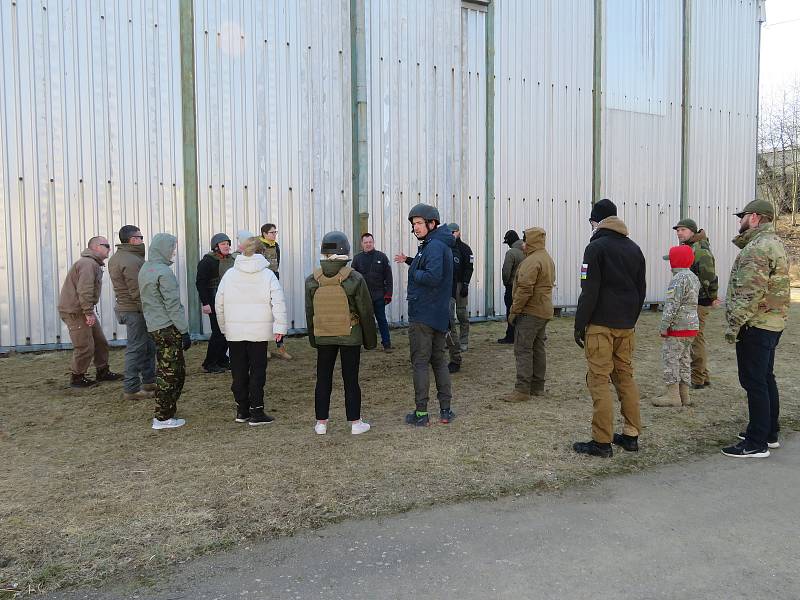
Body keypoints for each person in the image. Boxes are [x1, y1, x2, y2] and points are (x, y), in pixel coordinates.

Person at [573, 199, 646, 458]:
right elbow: (641, 291)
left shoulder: (595, 248)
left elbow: (588, 290)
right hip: (626, 326)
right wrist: (630, 320)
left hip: (601, 326)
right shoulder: (634, 249)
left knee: (599, 380)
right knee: (625, 378)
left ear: (596, 221)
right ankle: (630, 435)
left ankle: (601, 441)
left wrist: (580, 324)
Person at [721, 199, 789, 458]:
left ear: (756, 217)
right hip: (772, 322)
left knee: (754, 381)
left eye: (744, 215)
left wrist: (734, 325)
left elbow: (748, 292)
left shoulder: (757, 249)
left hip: (757, 324)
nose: (740, 220)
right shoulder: (775, 243)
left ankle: (756, 442)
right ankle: (768, 431)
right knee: (765, 377)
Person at [305, 231, 377, 435]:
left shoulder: (312, 279)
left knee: (323, 378)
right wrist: (370, 341)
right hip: (350, 335)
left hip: (324, 335)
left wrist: (314, 339)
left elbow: (310, 312)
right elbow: (365, 311)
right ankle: (355, 423)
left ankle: (321, 423)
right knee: (351, 379)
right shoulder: (354, 278)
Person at [393, 204, 456, 426]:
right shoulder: (434, 244)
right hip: (436, 313)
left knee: (421, 362)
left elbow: (433, 276)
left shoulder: (435, 246)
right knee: (438, 361)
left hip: (424, 315)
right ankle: (445, 411)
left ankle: (422, 414)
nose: (415, 228)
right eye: (413, 224)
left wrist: (413, 271)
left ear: (432, 223)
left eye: (419, 223)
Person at [215, 237, 288, 426]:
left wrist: (225, 328)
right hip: (259, 332)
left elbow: (219, 304)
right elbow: (278, 302)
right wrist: (280, 327)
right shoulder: (268, 275)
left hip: (235, 332)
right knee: (257, 371)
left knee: (238, 371)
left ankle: (242, 410)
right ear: (261, 252)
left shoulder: (230, 275)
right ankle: (257, 411)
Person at [139, 233, 192, 430]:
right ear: (163, 248)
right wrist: (184, 330)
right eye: (172, 247)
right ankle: (163, 417)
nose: (174, 251)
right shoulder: (164, 272)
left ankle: (167, 409)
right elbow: (173, 304)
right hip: (168, 327)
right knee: (172, 372)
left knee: (165, 368)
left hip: (154, 326)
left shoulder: (146, 269)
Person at [58, 236, 122, 388]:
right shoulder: (87, 264)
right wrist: (88, 312)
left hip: (82, 310)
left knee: (100, 342)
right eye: (106, 245)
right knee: (84, 346)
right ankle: (77, 377)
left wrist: (88, 311)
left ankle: (102, 371)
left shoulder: (92, 263)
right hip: (76, 311)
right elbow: (84, 290)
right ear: (96, 247)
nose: (109, 249)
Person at [504, 227, 555, 403]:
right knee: (538, 348)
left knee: (523, 349)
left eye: (526, 240)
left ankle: (522, 389)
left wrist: (514, 311)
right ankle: (537, 386)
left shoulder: (532, 261)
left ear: (532, 241)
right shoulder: (546, 257)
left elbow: (524, 289)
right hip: (544, 310)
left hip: (530, 311)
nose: (523, 244)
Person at [108, 225, 156, 400]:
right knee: (136, 348)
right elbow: (137, 289)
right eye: (140, 237)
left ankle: (150, 380)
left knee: (148, 346)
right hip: (135, 310)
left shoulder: (121, 257)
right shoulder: (130, 260)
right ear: (132, 240)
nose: (142, 240)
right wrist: (149, 311)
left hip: (130, 308)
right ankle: (132, 389)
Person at [673, 218, 720, 389]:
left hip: (698, 301)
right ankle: (703, 376)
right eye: (677, 230)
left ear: (692, 231)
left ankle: (697, 378)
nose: (679, 233)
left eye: (683, 230)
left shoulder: (700, 250)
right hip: (695, 300)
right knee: (697, 337)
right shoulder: (691, 247)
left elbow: (708, 277)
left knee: (695, 338)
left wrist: (710, 298)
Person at [652, 245, 700, 408]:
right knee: (684, 358)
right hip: (691, 326)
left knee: (671, 359)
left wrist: (664, 325)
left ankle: (672, 396)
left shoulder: (678, 279)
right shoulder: (694, 277)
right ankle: (684, 395)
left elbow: (672, 304)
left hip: (678, 327)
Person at [196, 233, 234, 373]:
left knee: (226, 331)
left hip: (229, 301)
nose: (226, 246)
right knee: (218, 332)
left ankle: (222, 359)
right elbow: (201, 283)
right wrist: (205, 303)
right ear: (216, 246)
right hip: (213, 301)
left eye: (228, 243)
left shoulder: (231, 260)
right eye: (223, 244)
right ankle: (210, 363)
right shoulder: (208, 261)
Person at [351, 232, 394, 352]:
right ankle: (359, 344)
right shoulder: (357, 259)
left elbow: (389, 277)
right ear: (362, 244)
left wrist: (388, 294)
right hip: (362, 297)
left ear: (373, 242)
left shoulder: (382, 257)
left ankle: (387, 344)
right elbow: (352, 278)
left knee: (382, 320)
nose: (368, 244)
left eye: (370, 242)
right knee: (361, 322)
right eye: (366, 242)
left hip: (379, 296)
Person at [259, 223, 292, 360]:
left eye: (275, 232)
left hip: (273, 279)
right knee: (264, 315)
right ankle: (263, 348)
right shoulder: (258, 246)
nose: (274, 235)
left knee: (277, 313)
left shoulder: (276, 246)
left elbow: (277, 264)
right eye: (272, 232)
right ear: (264, 234)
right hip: (262, 283)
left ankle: (280, 347)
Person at [448, 223, 474, 353]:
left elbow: (470, 268)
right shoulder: (445, 247)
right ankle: (452, 341)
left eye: (454, 232)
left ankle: (464, 341)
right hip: (448, 285)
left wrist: (465, 284)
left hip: (459, 285)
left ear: (459, 232)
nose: (452, 234)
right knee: (448, 316)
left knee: (462, 314)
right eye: (450, 232)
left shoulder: (465, 249)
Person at [498, 230, 525, 343]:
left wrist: (506, 282)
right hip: (525, 287)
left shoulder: (511, 253)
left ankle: (510, 336)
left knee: (511, 311)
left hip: (512, 287)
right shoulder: (528, 250)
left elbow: (506, 272)